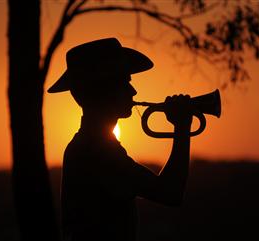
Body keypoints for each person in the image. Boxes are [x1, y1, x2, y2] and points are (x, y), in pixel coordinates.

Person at [48, 38, 192, 241]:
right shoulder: (98, 151)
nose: (133, 91)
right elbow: (170, 192)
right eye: (125, 82)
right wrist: (182, 127)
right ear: (105, 91)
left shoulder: (89, 146)